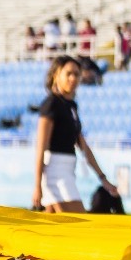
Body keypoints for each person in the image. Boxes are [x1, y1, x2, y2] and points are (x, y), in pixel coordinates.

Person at [31, 55, 113, 213]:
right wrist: (37, 186)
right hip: (55, 170)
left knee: (52, 229)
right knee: (78, 224)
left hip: (68, 168)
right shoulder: (51, 104)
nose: (73, 78)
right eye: (68, 73)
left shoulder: (71, 106)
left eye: (77, 74)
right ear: (56, 75)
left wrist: (103, 178)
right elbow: (41, 146)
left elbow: (83, 146)